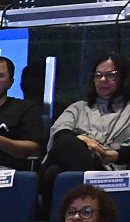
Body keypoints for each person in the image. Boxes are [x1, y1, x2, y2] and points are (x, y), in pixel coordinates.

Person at [40, 54, 130, 204]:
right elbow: (59, 133)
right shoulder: (79, 107)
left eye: (111, 75)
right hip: (80, 167)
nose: (102, 80)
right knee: (64, 148)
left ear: (125, 78)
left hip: (112, 174)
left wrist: (113, 155)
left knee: (54, 172)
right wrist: (85, 140)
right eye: (98, 75)